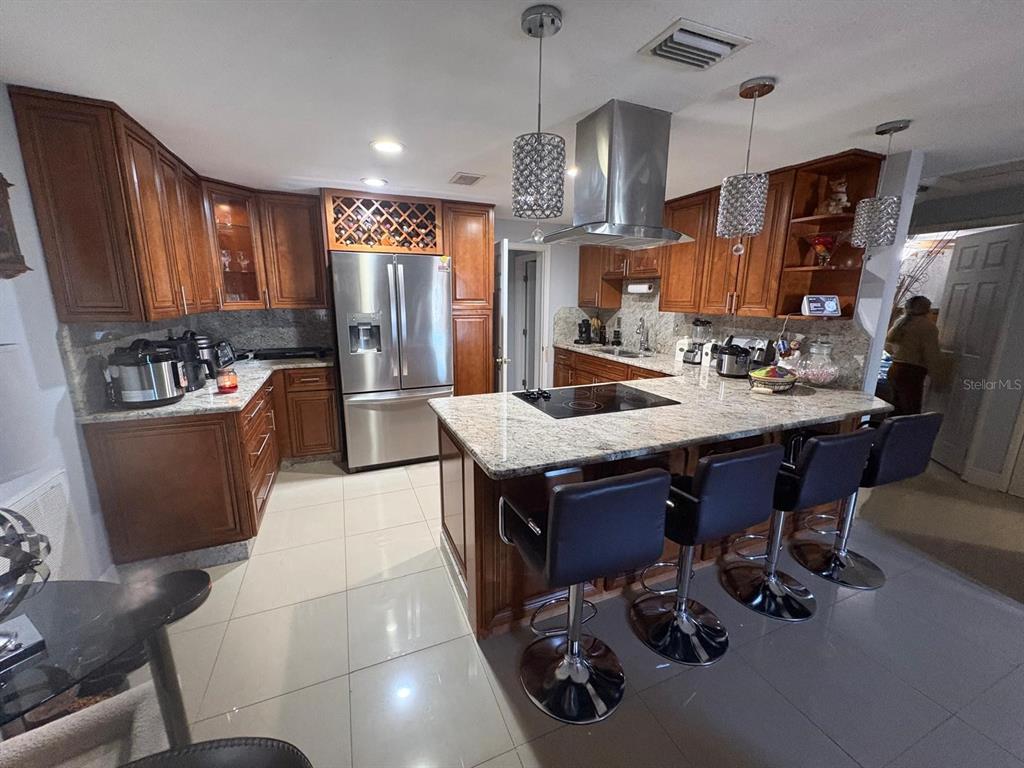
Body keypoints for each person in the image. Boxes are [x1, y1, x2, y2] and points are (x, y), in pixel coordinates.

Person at [884, 295, 941, 415]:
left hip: (895, 368)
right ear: (927, 309)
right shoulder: (928, 326)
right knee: (910, 411)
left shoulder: (899, 323)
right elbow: (931, 354)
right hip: (912, 372)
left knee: (895, 409)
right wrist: (937, 376)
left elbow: (888, 347)